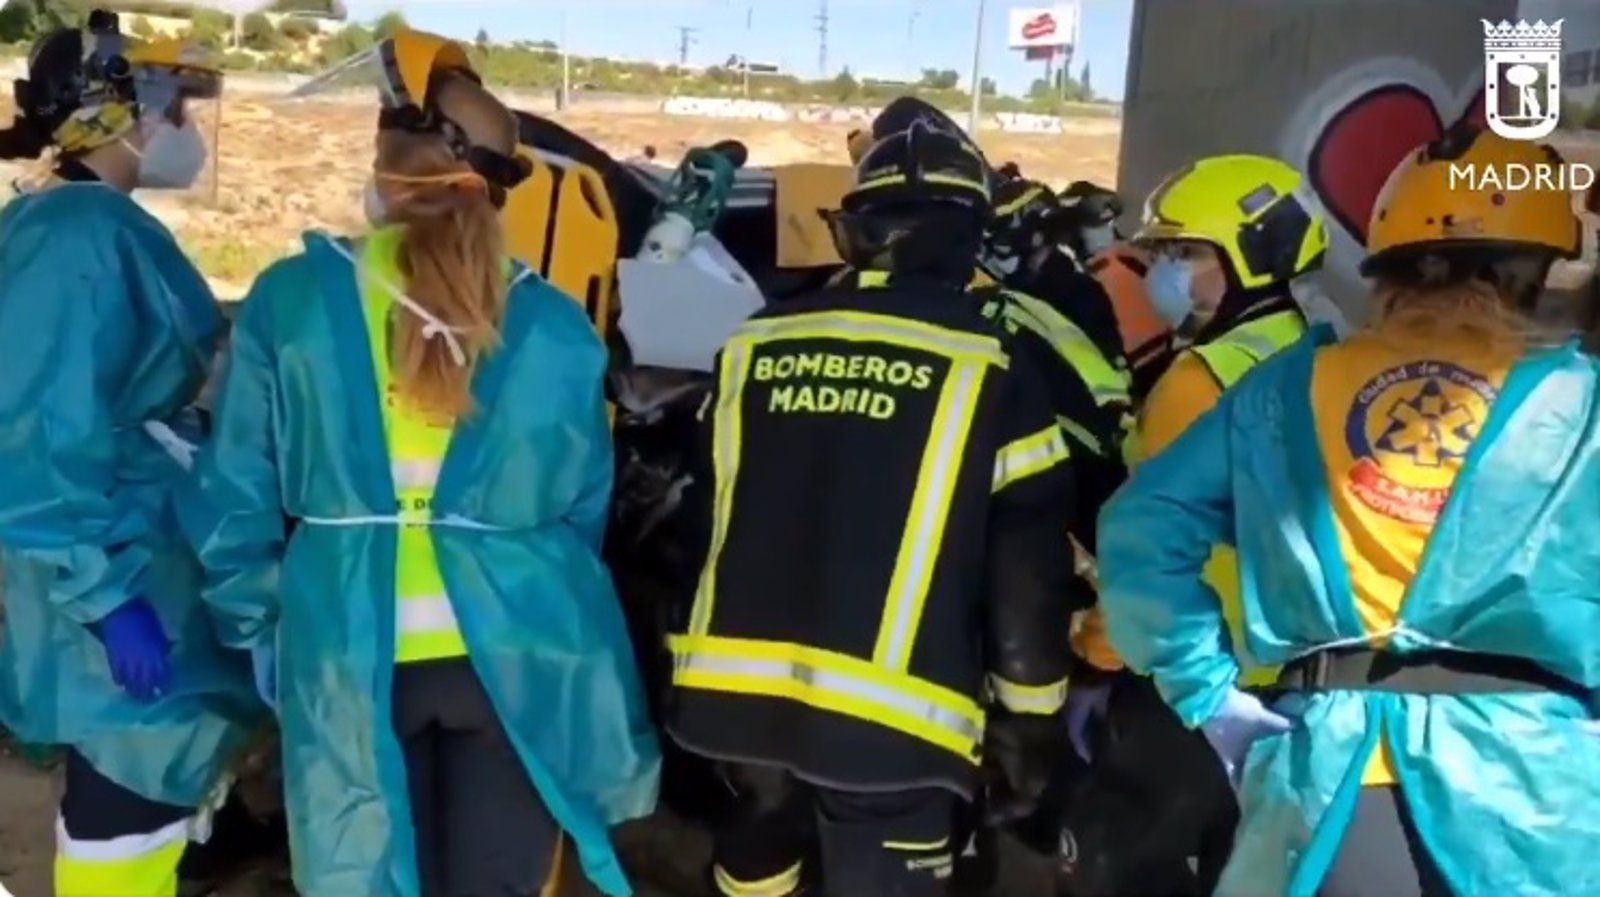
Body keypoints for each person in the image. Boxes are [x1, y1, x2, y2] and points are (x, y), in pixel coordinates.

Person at [180, 30, 659, 897]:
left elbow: (233, 491)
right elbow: (583, 507)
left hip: (349, 653)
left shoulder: (293, 302)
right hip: (515, 657)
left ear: (387, 169)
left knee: (363, 875)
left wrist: (258, 627)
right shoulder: (552, 325)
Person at [1099, 123, 1600, 897]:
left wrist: (1209, 692)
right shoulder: (1584, 405)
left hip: (1327, 781)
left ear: (1388, 264)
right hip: (1532, 797)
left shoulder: (1287, 387)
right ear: (1535, 270)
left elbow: (1142, 531)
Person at [668, 122, 1089, 897]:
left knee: (760, 850)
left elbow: (704, 521)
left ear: (857, 233)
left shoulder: (754, 342)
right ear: (969, 238)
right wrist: (1031, 721)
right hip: (893, 727)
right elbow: (1025, 564)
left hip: (737, 706)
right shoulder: (992, 364)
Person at [0, 14, 267, 897]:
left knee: (140, 807)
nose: (187, 129)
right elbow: (33, 443)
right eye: (175, 105)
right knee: (121, 816)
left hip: (127, 549)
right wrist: (106, 596)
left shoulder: (86, 226)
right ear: (119, 114)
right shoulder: (74, 238)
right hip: (109, 577)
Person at [1056, 154, 1330, 897]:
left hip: (1184, 684)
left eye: (1187, 253)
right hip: (1288, 674)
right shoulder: (1319, 354)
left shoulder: (1199, 380)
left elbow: (1149, 547)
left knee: (1114, 865)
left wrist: (1099, 659)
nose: (1165, 274)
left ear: (1253, 255)